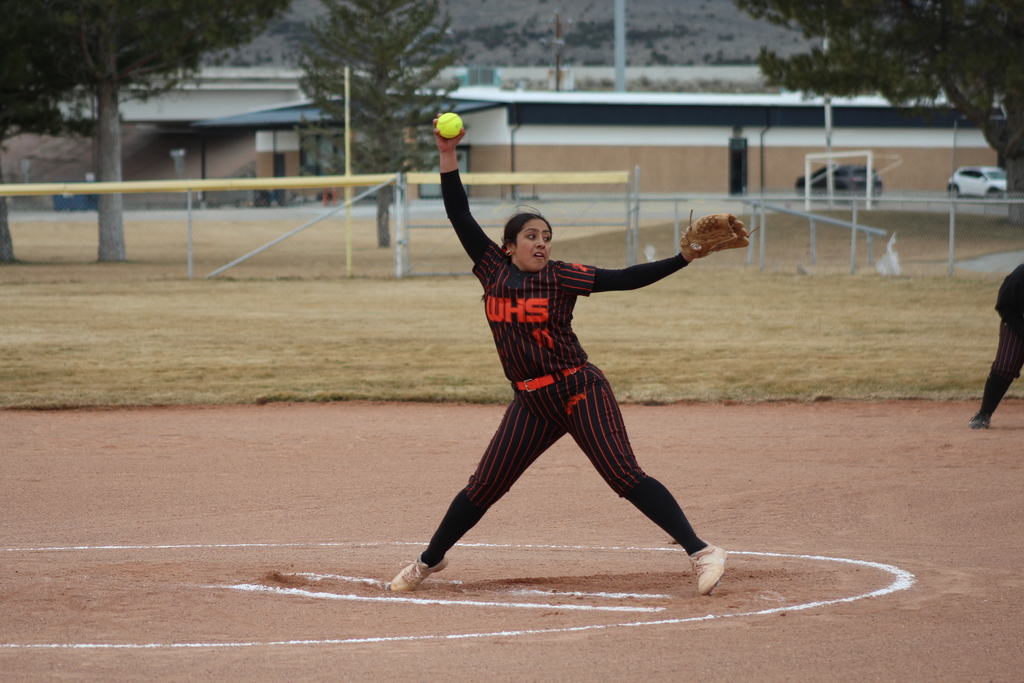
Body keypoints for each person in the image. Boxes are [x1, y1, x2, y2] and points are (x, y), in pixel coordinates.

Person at [386, 118, 734, 597]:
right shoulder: (491, 269)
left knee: (623, 474)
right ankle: (428, 562)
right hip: (530, 403)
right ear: (508, 247)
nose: (541, 242)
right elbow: (459, 214)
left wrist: (684, 259)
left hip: (578, 390)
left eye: (546, 235)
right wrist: (448, 154)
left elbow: (625, 278)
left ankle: (702, 551)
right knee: (484, 485)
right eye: (531, 235)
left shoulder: (562, 276)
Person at [970, 263, 1024, 429]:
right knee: (1006, 365)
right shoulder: (1020, 277)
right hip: (1016, 321)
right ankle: (984, 413)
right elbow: (1004, 306)